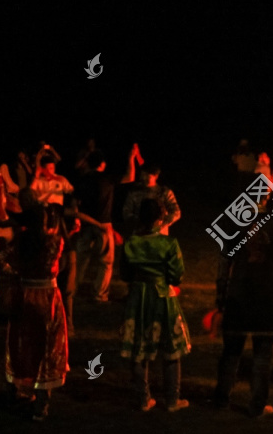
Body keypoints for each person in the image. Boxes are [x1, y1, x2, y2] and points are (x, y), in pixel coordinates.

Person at [213, 195, 273, 417]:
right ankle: (257, 405)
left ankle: (221, 398)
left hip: (239, 292)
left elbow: (224, 262)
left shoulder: (233, 223)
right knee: (263, 354)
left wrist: (220, 295)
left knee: (231, 350)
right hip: (267, 293)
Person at [0, 203, 70, 421]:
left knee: (20, 342)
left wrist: (15, 272)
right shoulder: (55, 242)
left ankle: (13, 392)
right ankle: (41, 406)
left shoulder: (20, 241)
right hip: (47, 298)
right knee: (47, 346)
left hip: (24, 294)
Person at [120, 199, 191, 412]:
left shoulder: (130, 242)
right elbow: (177, 274)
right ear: (160, 220)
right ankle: (172, 400)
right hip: (162, 296)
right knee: (170, 348)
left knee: (139, 347)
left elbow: (125, 274)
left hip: (138, 298)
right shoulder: (168, 243)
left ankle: (143, 399)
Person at [73, 149, 115, 308]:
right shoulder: (108, 179)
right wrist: (132, 158)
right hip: (103, 225)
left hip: (85, 224)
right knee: (105, 263)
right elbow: (130, 177)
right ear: (102, 164)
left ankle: (73, 289)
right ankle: (100, 295)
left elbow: (76, 206)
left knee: (81, 259)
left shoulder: (82, 180)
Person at [121, 163, 180, 236]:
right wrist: (140, 224)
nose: (143, 177)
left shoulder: (164, 192)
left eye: (146, 175)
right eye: (142, 174)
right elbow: (126, 212)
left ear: (156, 176)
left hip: (159, 235)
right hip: (139, 235)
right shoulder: (134, 192)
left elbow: (176, 212)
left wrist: (161, 224)